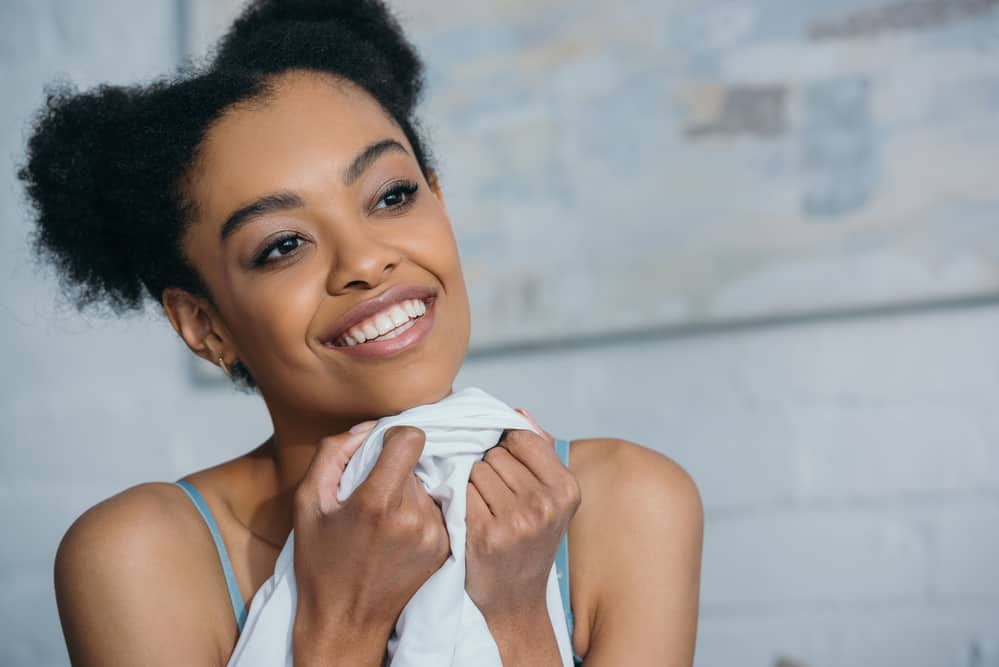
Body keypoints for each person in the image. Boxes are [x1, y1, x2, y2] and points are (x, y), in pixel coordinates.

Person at [20, 1, 703, 665]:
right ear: (205, 324)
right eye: (284, 243)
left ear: (438, 196)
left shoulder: (630, 504)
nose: (365, 260)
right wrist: (343, 622)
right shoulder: (140, 556)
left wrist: (517, 619)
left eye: (392, 196)